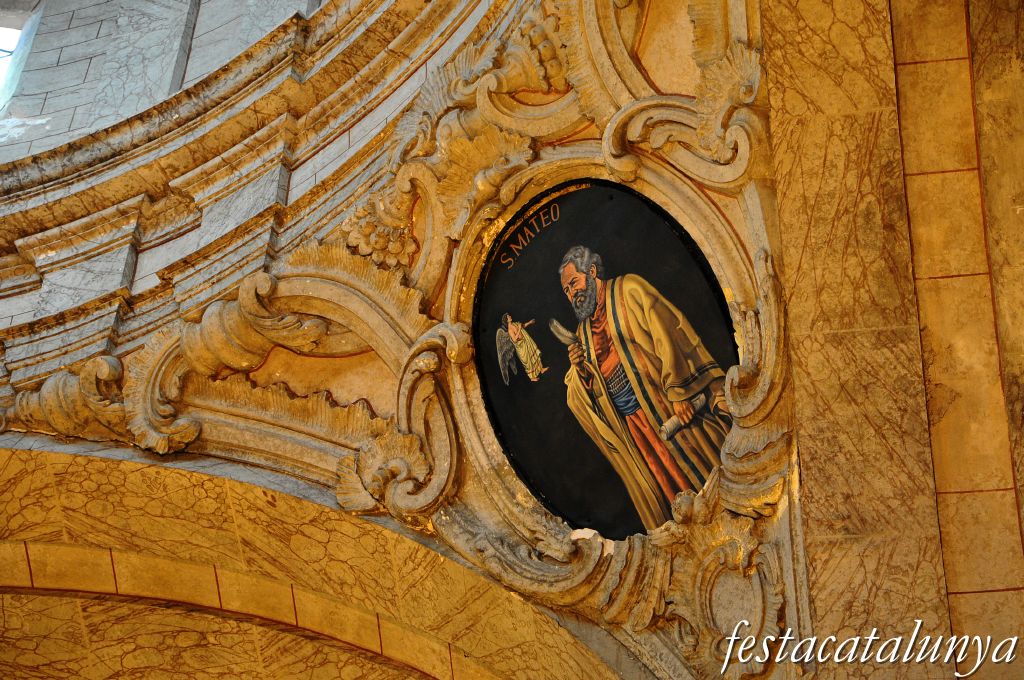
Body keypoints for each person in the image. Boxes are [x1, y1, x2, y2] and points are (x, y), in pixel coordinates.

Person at [558, 245, 731, 529]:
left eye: (573, 283)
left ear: (591, 272)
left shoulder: (630, 290)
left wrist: (678, 391)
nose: (572, 293)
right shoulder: (582, 333)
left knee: (704, 475)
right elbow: (590, 393)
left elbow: (669, 332)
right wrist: (580, 371)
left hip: (668, 410)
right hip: (636, 428)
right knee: (670, 492)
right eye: (566, 291)